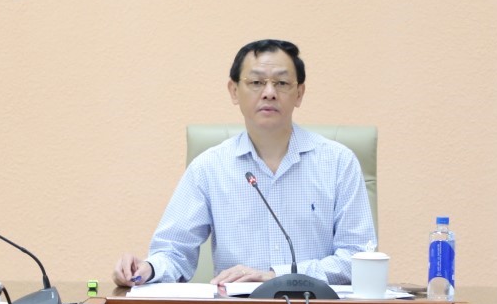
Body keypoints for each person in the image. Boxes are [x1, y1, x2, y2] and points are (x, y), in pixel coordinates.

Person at [113, 39, 376, 286]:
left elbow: (358, 258)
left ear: (299, 93)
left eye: (282, 83)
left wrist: (277, 276)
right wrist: (147, 270)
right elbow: (173, 252)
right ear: (234, 91)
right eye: (256, 82)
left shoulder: (338, 163)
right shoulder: (209, 168)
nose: (269, 93)